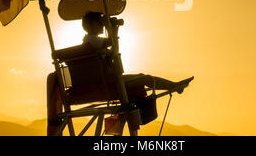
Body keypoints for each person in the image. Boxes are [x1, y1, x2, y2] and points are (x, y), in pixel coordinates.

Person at [46, 11, 193, 135]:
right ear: (91, 25)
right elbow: (114, 49)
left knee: (139, 81)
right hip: (106, 84)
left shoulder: (90, 41)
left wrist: (111, 30)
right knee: (145, 78)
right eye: (100, 23)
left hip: (102, 82)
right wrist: (114, 30)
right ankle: (175, 86)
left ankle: (118, 131)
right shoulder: (94, 41)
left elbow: (112, 51)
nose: (102, 25)